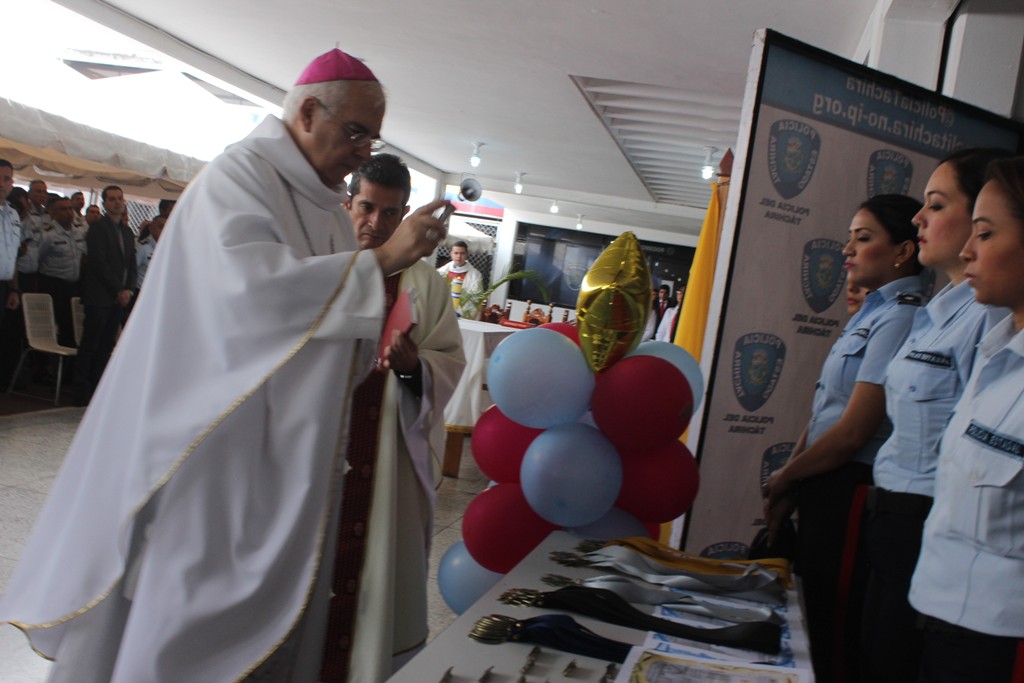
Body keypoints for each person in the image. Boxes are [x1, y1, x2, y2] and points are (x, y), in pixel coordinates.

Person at [0, 47, 451, 683]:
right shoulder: (239, 178)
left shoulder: (323, 205)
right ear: (308, 112)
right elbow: (249, 297)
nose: (360, 150)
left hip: (282, 453)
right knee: (186, 617)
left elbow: (330, 336)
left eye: (370, 137)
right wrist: (381, 262)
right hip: (209, 445)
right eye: (354, 132)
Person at [861, 148, 1011, 683]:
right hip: (902, 534)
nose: (919, 219)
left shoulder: (988, 321)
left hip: (938, 545)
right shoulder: (936, 314)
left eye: (936, 205)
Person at [762, 194, 926, 682]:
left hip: (852, 486)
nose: (848, 249)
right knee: (809, 612)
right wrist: (790, 477)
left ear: (903, 251)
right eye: (849, 237)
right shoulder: (869, 314)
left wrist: (787, 476)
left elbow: (855, 429)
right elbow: (825, 411)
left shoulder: (901, 316)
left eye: (864, 237)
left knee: (833, 625)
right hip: (821, 477)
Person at [329, 152, 463, 681]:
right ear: (349, 203)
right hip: (317, 460)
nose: (376, 224)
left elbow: (447, 364)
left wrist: (413, 368)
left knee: (372, 579)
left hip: (385, 460)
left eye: (391, 214)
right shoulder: (324, 266)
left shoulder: (427, 286)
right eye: (367, 208)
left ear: (406, 214)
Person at [909, 156, 1024, 683]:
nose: (968, 251)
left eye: (985, 233)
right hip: (933, 614)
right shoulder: (996, 354)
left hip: (995, 644)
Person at [73, 185, 136, 404]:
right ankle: (81, 390)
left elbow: (132, 264)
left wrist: (128, 288)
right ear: (105, 203)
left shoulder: (127, 232)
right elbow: (98, 264)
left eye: (120, 198)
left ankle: (98, 389)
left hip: (118, 299)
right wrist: (118, 289)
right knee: (91, 344)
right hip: (100, 296)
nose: (117, 202)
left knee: (106, 345)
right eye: (112, 199)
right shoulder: (98, 229)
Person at [37, 194, 87, 350]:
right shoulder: (47, 234)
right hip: (53, 285)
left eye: (69, 209)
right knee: (49, 329)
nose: (68, 212)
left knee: (70, 330)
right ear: (54, 213)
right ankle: (43, 367)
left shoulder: (78, 233)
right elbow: (38, 258)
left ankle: (64, 370)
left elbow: (83, 256)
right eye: (63, 209)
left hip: (73, 286)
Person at [0, 159, 21, 329]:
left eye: (6, 179)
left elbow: (13, 254)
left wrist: (14, 289)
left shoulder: (13, 215)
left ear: (12, 184)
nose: (1, 183)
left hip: (4, 287)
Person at [437, 239, 482, 317]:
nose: (459, 256)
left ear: (467, 254)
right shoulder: (441, 271)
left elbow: (476, 297)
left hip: (462, 314)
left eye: (462, 253)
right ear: (451, 254)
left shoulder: (475, 275)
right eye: (456, 253)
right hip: (442, 311)